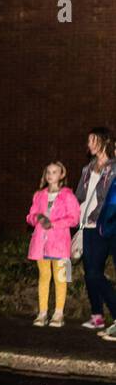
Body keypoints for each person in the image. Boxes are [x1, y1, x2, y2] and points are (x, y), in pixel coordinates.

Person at [25, 161, 79, 328]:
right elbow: (30, 216)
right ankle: (42, 313)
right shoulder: (39, 195)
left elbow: (74, 219)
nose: (50, 175)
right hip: (40, 243)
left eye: (54, 172)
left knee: (61, 278)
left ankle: (59, 313)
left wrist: (53, 223)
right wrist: (38, 218)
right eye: (48, 171)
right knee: (43, 277)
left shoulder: (68, 195)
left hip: (61, 243)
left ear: (62, 175)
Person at [73, 127, 116, 336]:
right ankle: (97, 315)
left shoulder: (113, 168)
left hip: (102, 225)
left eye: (92, 140)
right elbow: (79, 195)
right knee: (90, 273)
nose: (88, 144)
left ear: (102, 142)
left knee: (95, 273)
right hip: (86, 225)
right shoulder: (87, 169)